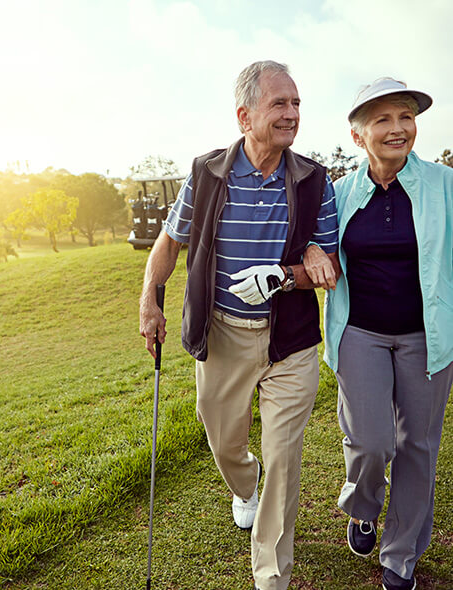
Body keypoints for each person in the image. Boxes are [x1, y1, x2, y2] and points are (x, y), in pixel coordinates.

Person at [139, 60, 339, 590]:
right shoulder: (206, 174)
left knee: (285, 457)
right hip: (223, 333)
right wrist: (149, 299)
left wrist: (285, 275)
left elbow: (328, 264)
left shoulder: (316, 180)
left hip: (289, 342)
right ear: (243, 115)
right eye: (279, 104)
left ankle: (270, 576)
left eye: (296, 103)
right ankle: (242, 485)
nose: (292, 114)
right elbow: (169, 241)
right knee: (225, 441)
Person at [309, 77, 453, 590]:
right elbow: (314, 244)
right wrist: (310, 251)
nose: (398, 129)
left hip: (426, 337)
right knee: (370, 443)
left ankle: (400, 557)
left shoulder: (443, 185)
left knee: (419, 446)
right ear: (358, 135)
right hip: (361, 333)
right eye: (383, 120)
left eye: (406, 118)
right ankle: (363, 506)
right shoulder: (338, 192)